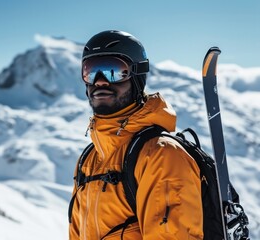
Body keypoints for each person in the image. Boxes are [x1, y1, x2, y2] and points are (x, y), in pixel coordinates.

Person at [68, 30, 203, 239]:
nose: (101, 81)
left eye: (114, 70)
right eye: (91, 71)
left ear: (137, 77)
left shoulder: (161, 155)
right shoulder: (89, 159)